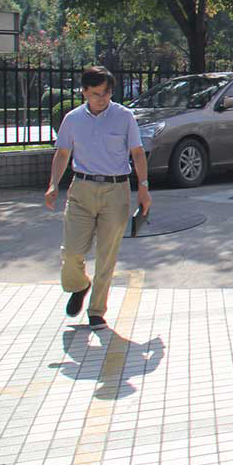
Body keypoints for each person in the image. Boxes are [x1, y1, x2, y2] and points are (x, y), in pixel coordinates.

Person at [45, 66, 151, 329]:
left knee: (107, 255)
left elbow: (137, 153)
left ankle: (96, 309)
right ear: (84, 92)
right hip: (81, 189)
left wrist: (144, 188)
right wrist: (53, 184)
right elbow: (62, 154)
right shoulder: (72, 119)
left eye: (106, 93)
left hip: (116, 190)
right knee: (71, 252)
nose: (102, 98)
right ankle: (79, 285)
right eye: (95, 93)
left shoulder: (124, 116)